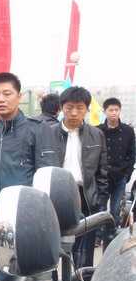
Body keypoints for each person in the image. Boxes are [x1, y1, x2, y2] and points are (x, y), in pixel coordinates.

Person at [0, 72, 57, 281]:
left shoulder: (37, 129)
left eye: (7, 93)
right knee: (4, 277)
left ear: (19, 96)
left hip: (26, 219)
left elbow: (47, 177)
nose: (1, 99)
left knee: (32, 278)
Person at [52, 87, 108, 268]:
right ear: (62, 108)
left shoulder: (97, 135)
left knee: (84, 248)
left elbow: (102, 172)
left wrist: (100, 199)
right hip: (55, 196)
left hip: (85, 196)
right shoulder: (48, 134)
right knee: (52, 246)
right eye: (69, 107)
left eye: (80, 107)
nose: (74, 113)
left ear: (87, 109)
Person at [97, 97, 135, 237]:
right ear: (104, 111)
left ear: (120, 111)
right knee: (100, 209)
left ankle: (111, 235)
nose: (113, 112)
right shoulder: (98, 130)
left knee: (116, 208)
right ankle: (98, 236)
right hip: (102, 177)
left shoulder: (128, 131)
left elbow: (132, 154)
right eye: (110, 110)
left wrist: (127, 174)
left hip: (120, 176)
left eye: (116, 110)